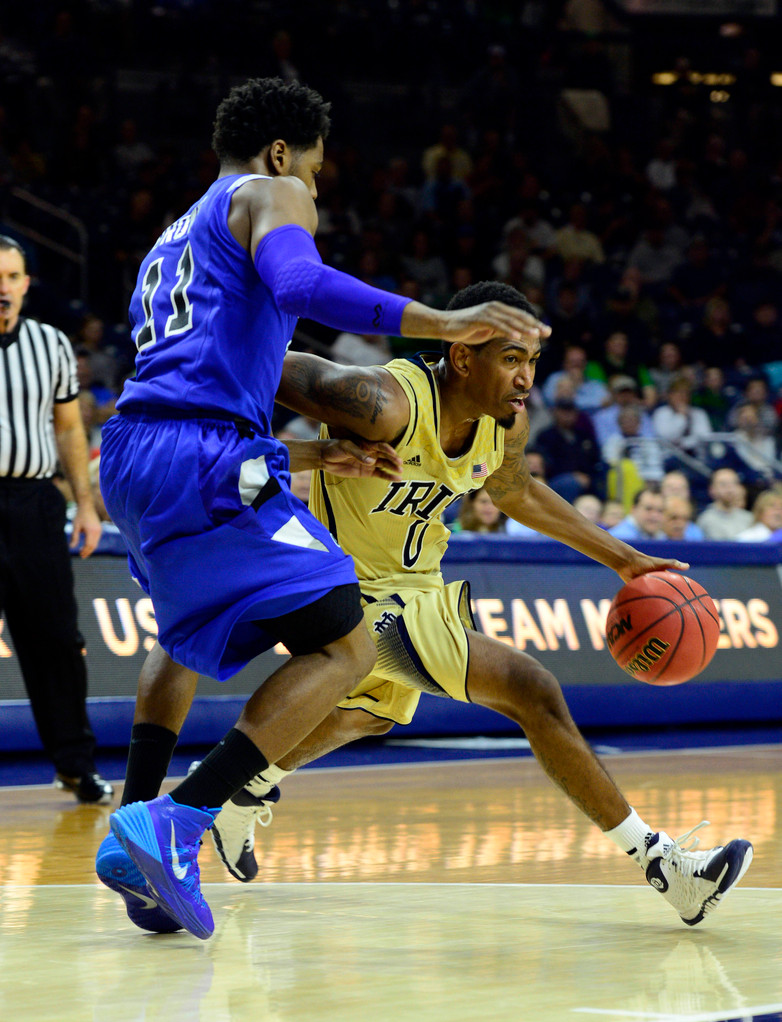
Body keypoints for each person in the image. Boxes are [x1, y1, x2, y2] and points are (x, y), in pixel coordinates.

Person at [97, 79, 551, 940]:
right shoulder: (274, 192)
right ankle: (175, 825)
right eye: (314, 168)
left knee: (184, 640)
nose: (316, 189)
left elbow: (198, 376)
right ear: (280, 154)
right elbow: (300, 282)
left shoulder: (173, 236)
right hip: (203, 451)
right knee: (350, 641)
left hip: (135, 451)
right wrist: (442, 321)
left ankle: (139, 817)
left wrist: (310, 455)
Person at [216, 284, 750, 928]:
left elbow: (515, 489)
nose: (526, 378)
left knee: (369, 719)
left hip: (421, 589)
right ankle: (663, 865)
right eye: (511, 359)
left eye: (532, 362)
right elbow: (269, 361)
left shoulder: (505, 422)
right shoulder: (386, 404)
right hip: (355, 593)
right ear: (463, 356)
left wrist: (622, 559)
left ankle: (238, 787)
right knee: (533, 688)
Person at [0, 235, 111, 803]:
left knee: (57, 642)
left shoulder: (49, 345)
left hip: (34, 504)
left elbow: (69, 428)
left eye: (12, 276)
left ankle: (74, 763)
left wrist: (86, 504)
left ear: (25, 284)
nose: (3, 287)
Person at [696, 467, 754, 540]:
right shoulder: (705, 520)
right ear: (712, 490)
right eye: (723, 484)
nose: (730, 489)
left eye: (734, 483)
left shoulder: (749, 518)